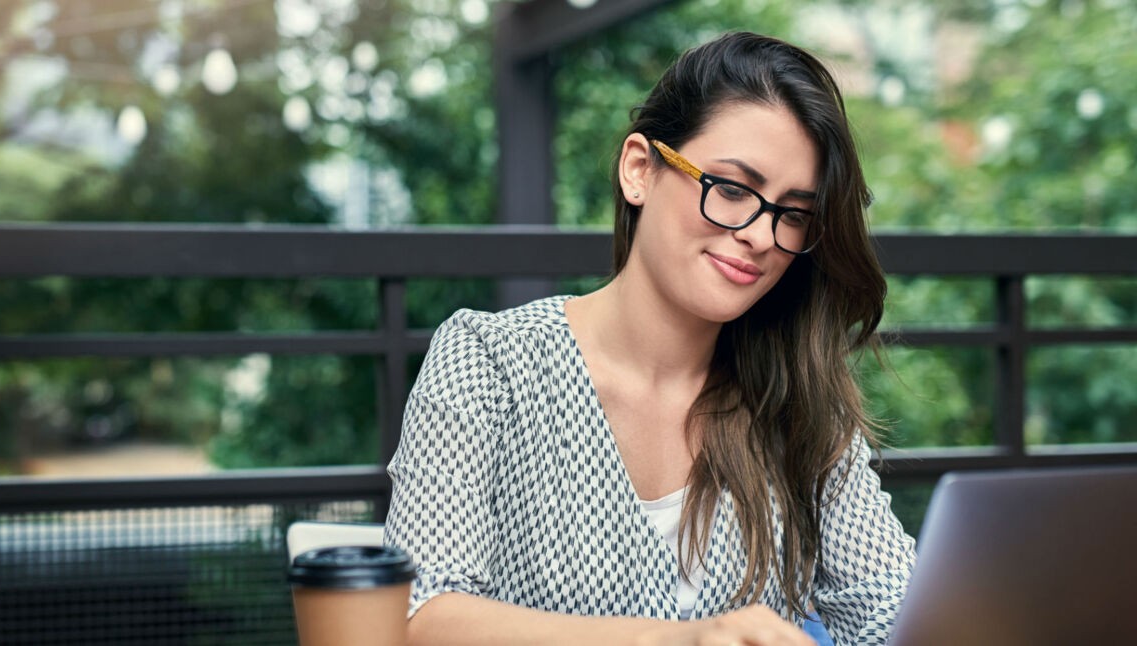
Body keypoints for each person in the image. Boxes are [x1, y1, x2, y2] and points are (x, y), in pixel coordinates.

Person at [384, 31, 916, 645]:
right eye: (734, 190)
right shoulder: (490, 363)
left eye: (793, 214)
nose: (762, 236)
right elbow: (422, 616)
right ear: (640, 169)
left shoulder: (796, 398)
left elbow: (891, 612)